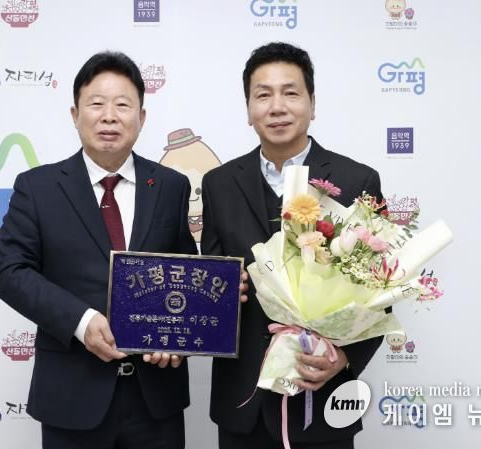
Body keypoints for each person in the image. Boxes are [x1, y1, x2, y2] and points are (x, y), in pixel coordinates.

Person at [0, 51, 197, 449]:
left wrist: (175, 339)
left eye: (123, 105)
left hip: (156, 401)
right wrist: (80, 321)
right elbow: (9, 272)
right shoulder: (38, 188)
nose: (109, 117)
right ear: (75, 114)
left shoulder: (171, 186)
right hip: (72, 397)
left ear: (142, 117)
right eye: (96, 104)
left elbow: (185, 272)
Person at [201, 42, 385, 449]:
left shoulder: (356, 181)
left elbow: (380, 292)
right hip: (242, 404)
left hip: (321, 396)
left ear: (312, 104)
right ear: (248, 109)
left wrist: (344, 358)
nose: (277, 107)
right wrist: (223, 292)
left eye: (290, 93)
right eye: (263, 95)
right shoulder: (219, 184)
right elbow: (210, 280)